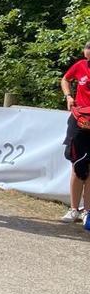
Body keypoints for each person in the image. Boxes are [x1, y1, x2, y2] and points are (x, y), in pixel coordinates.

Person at [60, 41, 90, 224]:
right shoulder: (79, 65)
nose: (89, 51)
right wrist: (68, 96)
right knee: (77, 163)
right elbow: (65, 79)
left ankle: (87, 210)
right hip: (79, 120)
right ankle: (73, 209)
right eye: (88, 48)